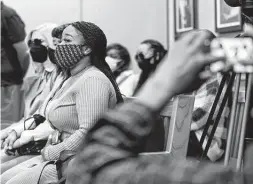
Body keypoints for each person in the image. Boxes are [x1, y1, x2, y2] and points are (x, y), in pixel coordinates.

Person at [65, 30, 253, 184]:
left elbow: (90, 168)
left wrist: (161, 90)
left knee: (154, 131)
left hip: (205, 142)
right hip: (189, 135)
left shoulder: (215, 79)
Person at [1, 21, 123, 183]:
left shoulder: (93, 80)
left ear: (87, 49)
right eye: (59, 42)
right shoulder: (73, 77)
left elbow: (89, 134)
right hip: (60, 153)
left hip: (75, 163)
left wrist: (49, 152)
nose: (59, 46)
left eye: (67, 41)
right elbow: (47, 117)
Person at [0, 23, 59, 173]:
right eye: (31, 42)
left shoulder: (60, 78)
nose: (34, 46)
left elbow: (46, 119)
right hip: (24, 139)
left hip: (42, 145)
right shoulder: (37, 79)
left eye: (39, 42)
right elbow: (29, 117)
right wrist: (9, 132)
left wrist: (16, 134)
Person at [1, 1, 30, 127]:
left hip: (7, 84)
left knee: (6, 127)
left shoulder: (7, 15)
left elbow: (22, 51)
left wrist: (17, 76)